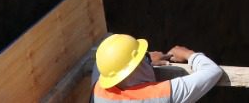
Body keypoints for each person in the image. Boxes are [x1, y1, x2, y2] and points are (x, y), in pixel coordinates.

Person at [92, 33, 223, 102]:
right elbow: (212, 71)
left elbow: (111, 60)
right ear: (135, 67)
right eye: (141, 56)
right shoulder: (159, 96)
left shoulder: (99, 88)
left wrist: (147, 58)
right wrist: (188, 54)